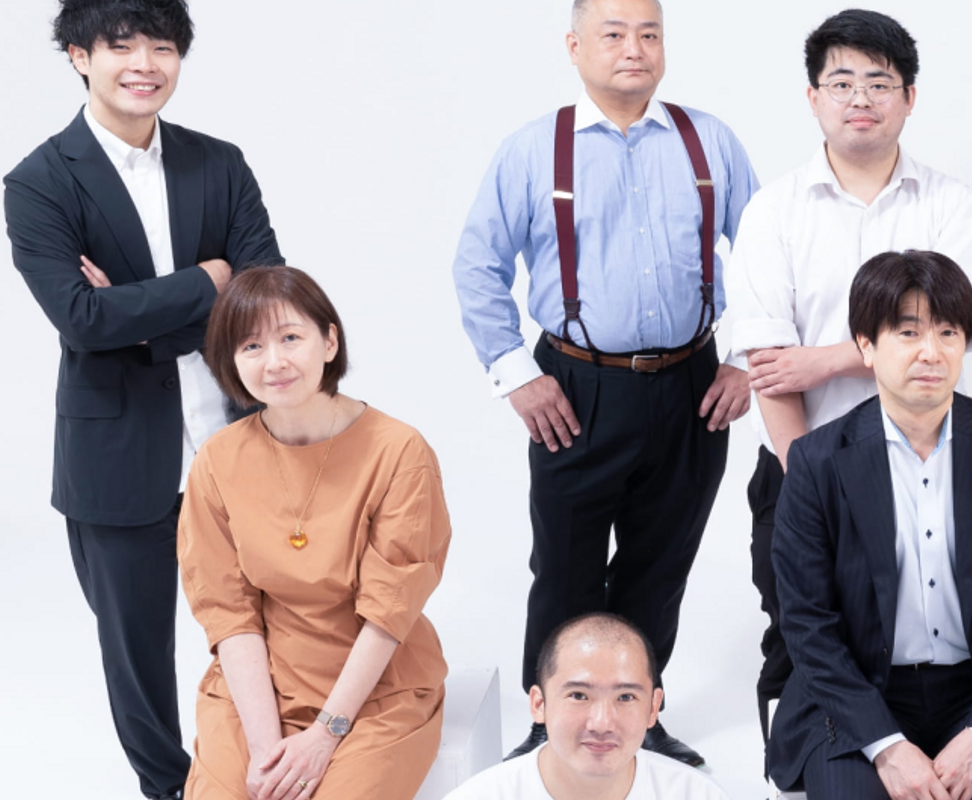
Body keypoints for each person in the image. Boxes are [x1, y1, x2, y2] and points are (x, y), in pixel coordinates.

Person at [449, 0, 759, 765]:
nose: (634, 49)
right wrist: (516, 374)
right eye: (614, 34)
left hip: (693, 384)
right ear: (575, 45)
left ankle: (638, 722)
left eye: (650, 34)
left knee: (660, 563)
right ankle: (549, 728)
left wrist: (746, 358)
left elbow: (764, 256)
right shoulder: (534, 150)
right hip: (577, 387)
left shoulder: (709, 141)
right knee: (567, 570)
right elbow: (478, 265)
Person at [6, 1, 286, 796]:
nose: (144, 65)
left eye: (162, 47)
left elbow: (266, 295)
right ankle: (171, 789)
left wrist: (137, 311)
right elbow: (82, 320)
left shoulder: (219, 163)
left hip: (239, 444)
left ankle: (275, 767)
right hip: (117, 457)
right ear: (78, 56)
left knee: (277, 621)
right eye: (121, 46)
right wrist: (206, 282)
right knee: (137, 653)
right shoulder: (38, 182)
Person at [720, 8, 972, 763]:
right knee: (798, 623)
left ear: (909, 97)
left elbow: (950, 329)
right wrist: (806, 476)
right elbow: (771, 367)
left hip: (929, 459)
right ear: (813, 98)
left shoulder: (950, 205)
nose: (860, 98)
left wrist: (824, 359)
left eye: (879, 81)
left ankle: (914, 750)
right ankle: (806, 761)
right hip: (798, 458)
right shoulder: (772, 212)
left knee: (922, 626)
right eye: (841, 82)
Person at [769, 251, 972, 800]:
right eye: (908, 332)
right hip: (858, 695)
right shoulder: (817, 461)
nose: (932, 352)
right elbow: (808, 623)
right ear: (866, 345)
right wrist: (885, 744)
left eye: (948, 332)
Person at [177, 266, 449, 799]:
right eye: (251, 346)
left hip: (375, 693)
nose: (274, 362)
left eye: (290, 338)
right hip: (257, 690)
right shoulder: (217, 460)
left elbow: (389, 611)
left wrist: (326, 734)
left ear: (329, 341)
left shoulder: (399, 452)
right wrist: (266, 749)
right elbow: (229, 613)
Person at [441, 614, 726, 800]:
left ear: (653, 708)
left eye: (625, 697)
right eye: (579, 695)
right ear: (539, 704)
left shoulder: (696, 795)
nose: (602, 723)